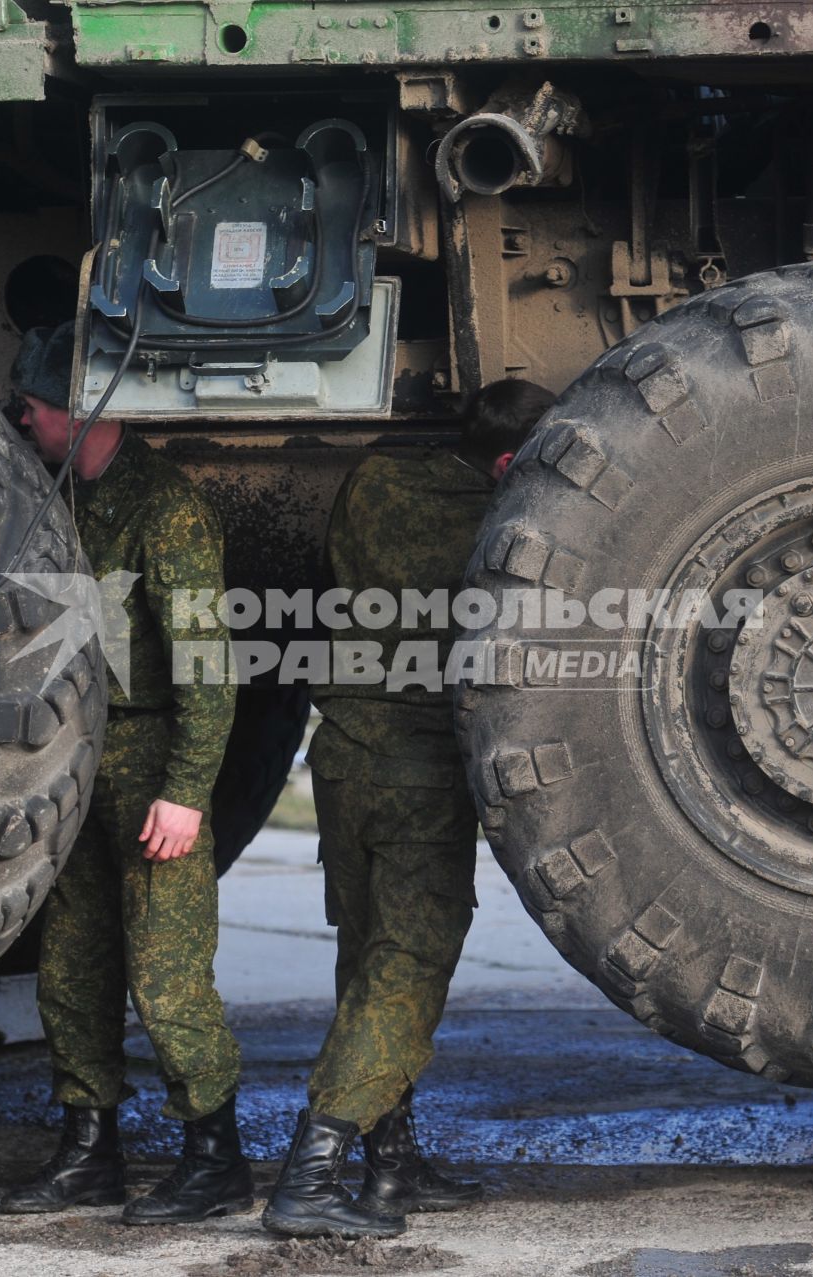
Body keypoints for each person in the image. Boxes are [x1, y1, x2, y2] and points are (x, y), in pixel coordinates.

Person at [261, 378, 557, 1239]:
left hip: (342, 752)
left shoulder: (377, 480)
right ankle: (311, 1170)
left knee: (364, 961)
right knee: (407, 967)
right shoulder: (501, 526)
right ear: (510, 463)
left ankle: (390, 1163)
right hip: (418, 769)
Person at [0, 323, 248, 1226]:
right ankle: (88, 1152)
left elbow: (208, 668)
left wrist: (184, 792)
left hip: (149, 764)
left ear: (76, 411)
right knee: (71, 967)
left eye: (31, 409)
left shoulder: (164, 507)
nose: (22, 423)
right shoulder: (64, 497)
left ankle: (214, 1156)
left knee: (167, 975)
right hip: (78, 762)